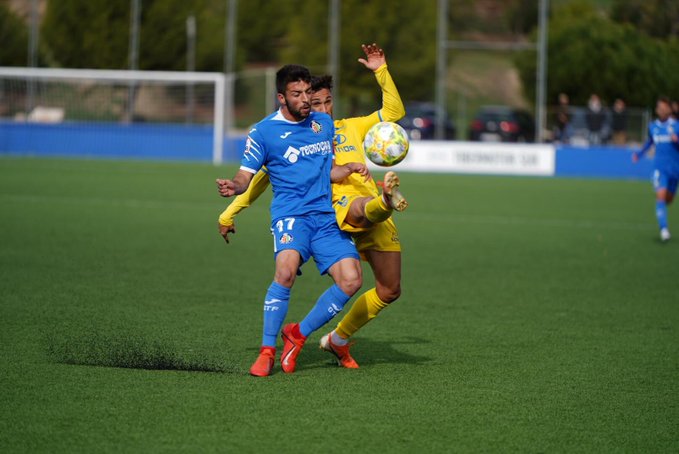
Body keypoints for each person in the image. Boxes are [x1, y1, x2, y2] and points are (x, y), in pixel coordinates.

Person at [218, 43, 407, 369]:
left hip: (333, 217)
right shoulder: (268, 132)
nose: (314, 104)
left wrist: (381, 73)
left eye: (320, 99)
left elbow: (391, 115)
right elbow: (258, 178)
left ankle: (332, 338)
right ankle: (266, 351)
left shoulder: (333, 127)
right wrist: (230, 207)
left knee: (385, 289)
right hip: (333, 210)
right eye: (306, 98)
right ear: (284, 97)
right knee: (289, 269)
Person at [632, 96, 679, 242]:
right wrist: (639, 155)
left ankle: (662, 211)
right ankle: (664, 229)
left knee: (668, 200)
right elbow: (650, 142)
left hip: (675, 170)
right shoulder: (653, 127)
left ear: (669, 109)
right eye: (660, 107)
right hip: (659, 169)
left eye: (665, 107)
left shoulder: (677, 126)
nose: (662, 110)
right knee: (660, 196)